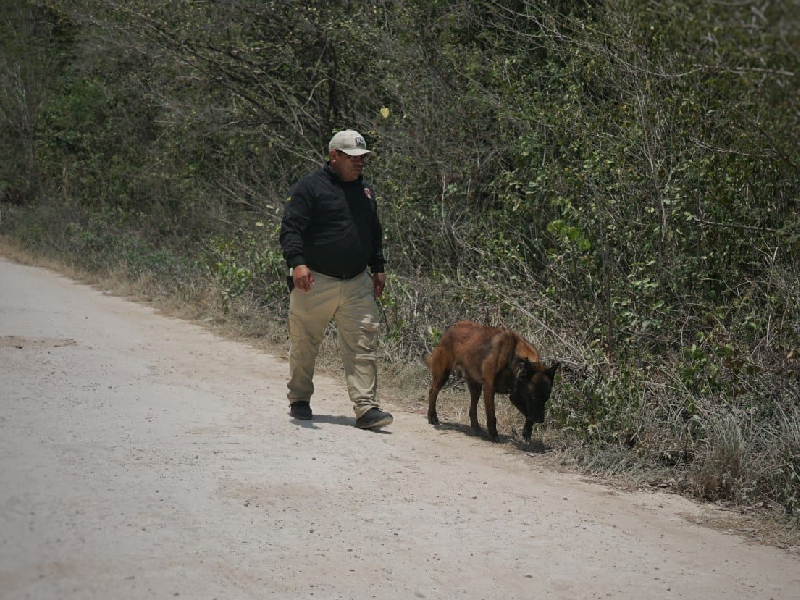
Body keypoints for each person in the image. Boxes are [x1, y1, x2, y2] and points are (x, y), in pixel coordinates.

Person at [279, 129, 393, 430]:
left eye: (363, 158)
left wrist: (378, 265)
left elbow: (374, 231)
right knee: (305, 343)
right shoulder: (309, 188)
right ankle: (300, 398)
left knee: (363, 343)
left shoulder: (365, 192)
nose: (360, 164)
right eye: (353, 158)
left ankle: (366, 408)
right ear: (334, 156)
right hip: (314, 280)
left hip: (356, 282)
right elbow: (291, 228)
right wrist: (298, 264)